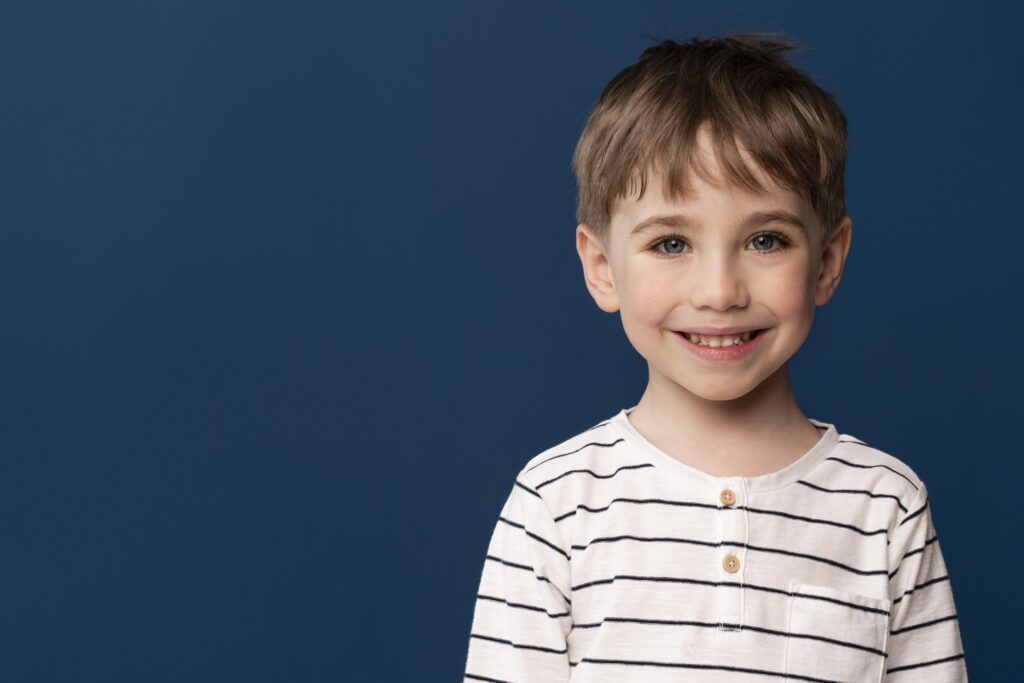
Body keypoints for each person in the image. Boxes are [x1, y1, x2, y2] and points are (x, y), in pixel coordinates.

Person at [462, 33, 967, 682]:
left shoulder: (885, 507)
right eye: (672, 243)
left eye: (766, 240)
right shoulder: (557, 504)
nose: (720, 292)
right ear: (602, 267)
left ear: (827, 261)